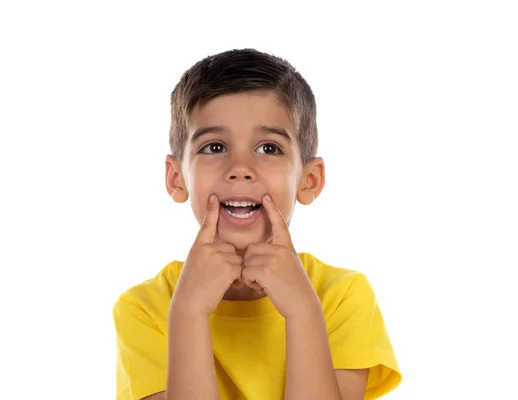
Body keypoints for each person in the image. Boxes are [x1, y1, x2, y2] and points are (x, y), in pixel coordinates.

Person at [112, 48, 401, 400]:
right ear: (176, 177)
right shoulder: (144, 308)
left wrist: (302, 311)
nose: (240, 168)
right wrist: (188, 313)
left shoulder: (342, 297)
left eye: (269, 148)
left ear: (309, 181)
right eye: (215, 147)